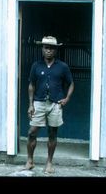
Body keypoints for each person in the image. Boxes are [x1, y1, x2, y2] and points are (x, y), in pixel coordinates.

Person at [24, 36, 74, 174]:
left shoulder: (62, 66)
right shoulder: (36, 65)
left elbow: (71, 83)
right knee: (32, 132)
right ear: (42, 49)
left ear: (55, 50)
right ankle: (30, 161)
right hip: (38, 103)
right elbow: (31, 85)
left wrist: (67, 98)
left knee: (52, 134)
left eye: (51, 48)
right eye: (46, 47)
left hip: (55, 104)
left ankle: (49, 163)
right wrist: (30, 104)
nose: (49, 50)